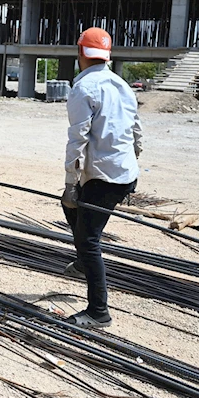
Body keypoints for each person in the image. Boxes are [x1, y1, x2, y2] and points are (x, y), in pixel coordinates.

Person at [61, 27, 143, 328]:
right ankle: (83, 261)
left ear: (80, 52)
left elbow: (77, 138)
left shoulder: (83, 89)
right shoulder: (122, 85)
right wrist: (134, 158)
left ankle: (98, 311)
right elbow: (136, 129)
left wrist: (71, 182)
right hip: (123, 173)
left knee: (89, 238)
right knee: (70, 208)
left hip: (103, 178)